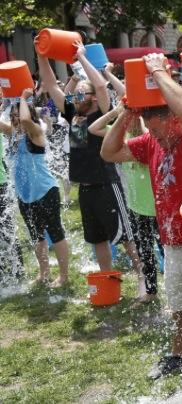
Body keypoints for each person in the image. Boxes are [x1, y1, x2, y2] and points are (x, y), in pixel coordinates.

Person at [100, 53, 182, 378]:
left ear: (173, 120)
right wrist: (127, 113)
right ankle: (177, 354)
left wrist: (156, 70)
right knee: (180, 305)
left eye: (158, 130)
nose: (155, 138)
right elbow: (109, 151)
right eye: (150, 132)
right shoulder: (152, 143)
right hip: (172, 242)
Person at [37, 40, 140, 272]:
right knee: (97, 239)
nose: (75, 97)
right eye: (76, 94)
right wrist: (42, 56)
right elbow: (53, 86)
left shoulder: (103, 112)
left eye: (81, 93)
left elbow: (102, 87)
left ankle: (145, 278)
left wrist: (82, 57)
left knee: (124, 237)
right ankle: (107, 278)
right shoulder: (74, 114)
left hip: (106, 183)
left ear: (93, 97)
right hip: (85, 187)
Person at [89, 104, 161, 305]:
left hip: (156, 207)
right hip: (137, 206)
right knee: (145, 251)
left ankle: (176, 294)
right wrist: (116, 113)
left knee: (164, 251)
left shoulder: (148, 137)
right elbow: (93, 129)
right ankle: (151, 291)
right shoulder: (121, 137)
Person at [0, 88, 70, 287]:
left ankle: (63, 276)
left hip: (46, 191)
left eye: (17, 115)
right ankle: (44, 273)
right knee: (36, 236)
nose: (14, 120)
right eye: (11, 116)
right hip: (25, 196)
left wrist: (22, 98)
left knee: (56, 233)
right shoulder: (13, 135)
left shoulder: (36, 132)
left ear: (28, 115)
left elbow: (24, 121)